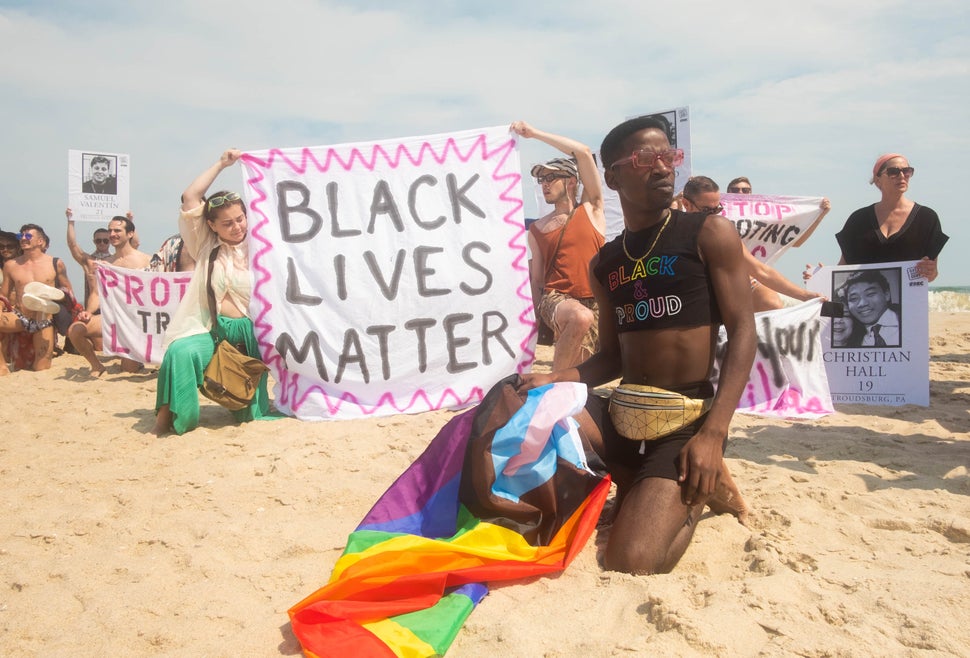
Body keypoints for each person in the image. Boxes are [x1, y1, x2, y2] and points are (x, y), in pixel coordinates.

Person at [519, 116, 757, 575]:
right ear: (613, 177)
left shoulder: (707, 234)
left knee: (632, 561)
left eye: (669, 157)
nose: (664, 168)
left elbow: (744, 332)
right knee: (523, 402)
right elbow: (610, 357)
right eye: (646, 159)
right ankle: (631, 481)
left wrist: (714, 434)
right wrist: (552, 379)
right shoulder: (608, 261)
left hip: (684, 419)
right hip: (625, 410)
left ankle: (692, 490)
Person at [151, 149, 274, 436]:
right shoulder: (204, 245)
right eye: (227, 223)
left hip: (252, 336)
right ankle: (170, 421)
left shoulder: (262, 245)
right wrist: (222, 164)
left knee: (250, 416)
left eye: (241, 219)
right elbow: (190, 198)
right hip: (211, 330)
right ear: (211, 225)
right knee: (180, 351)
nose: (237, 227)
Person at [511, 120, 606, 370]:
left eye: (551, 177)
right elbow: (537, 279)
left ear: (572, 181)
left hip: (594, 300)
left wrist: (535, 134)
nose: (544, 183)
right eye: (541, 179)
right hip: (556, 299)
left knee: (581, 374)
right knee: (579, 317)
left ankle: (560, 389)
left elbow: (583, 152)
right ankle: (552, 382)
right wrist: (530, 321)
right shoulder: (537, 228)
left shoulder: (592, 210)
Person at [682, 176, 825, 312]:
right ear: (686, 204)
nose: (713, 216)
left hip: (730, 299)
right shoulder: (674, 232)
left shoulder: (725, 234)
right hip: (687, 305)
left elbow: (760, 270)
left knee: (772, 303)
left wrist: (805, 295)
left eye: (717, 209)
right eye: (706, 210)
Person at [833, 154, 948, 282]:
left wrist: (930, 271)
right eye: (893, 172)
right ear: (878, 181)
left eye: (907, 171)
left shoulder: (927, 218)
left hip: (911, 301)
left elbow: (932, 275)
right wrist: (820, 277)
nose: (902, 176)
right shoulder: (858, 220)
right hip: (866, 300)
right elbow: (843, 268)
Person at [65, 209, 152, 376]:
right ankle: (97, 366)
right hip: (113, 318)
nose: (112, 234)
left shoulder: (146, 260)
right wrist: (88, 312)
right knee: (76, 329)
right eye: (110, 230)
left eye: (117, 230)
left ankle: (137, 361)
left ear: (130, 234)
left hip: (137, 321)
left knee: (128, 369)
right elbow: (97, 294)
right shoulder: (106, 264)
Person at [0, 224, 75, 374]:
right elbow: (4, 295)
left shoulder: (55, 263)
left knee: (41, 368)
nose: (23, 239)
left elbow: (69, 293)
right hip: (20, 316)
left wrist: (61, 298)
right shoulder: (11, 265)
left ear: (40, 241)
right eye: (20, 236)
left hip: (44, 319)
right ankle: (2, 366)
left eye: (28, 236)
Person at [842, 269, 900, 348]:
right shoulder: (852, 339)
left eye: (870, 294)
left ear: (887, 294)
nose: (862, 304)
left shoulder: (911, 320)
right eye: (854, 298)